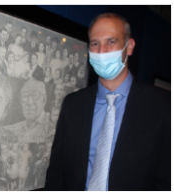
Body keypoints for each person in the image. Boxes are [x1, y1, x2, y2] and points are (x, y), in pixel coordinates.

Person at [45, 13, 170, 191]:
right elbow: (57, 173)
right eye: (95, 43)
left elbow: (166, 180)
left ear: (130, 47)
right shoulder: (73, 104)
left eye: (111, 41)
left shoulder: (162, 106)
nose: (101, 51)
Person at [3, 79, 49, 144]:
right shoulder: (15, 128)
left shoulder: (53, 124)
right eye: (25, 96)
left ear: (44, 100)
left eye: (35, 95)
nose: (29, 102)